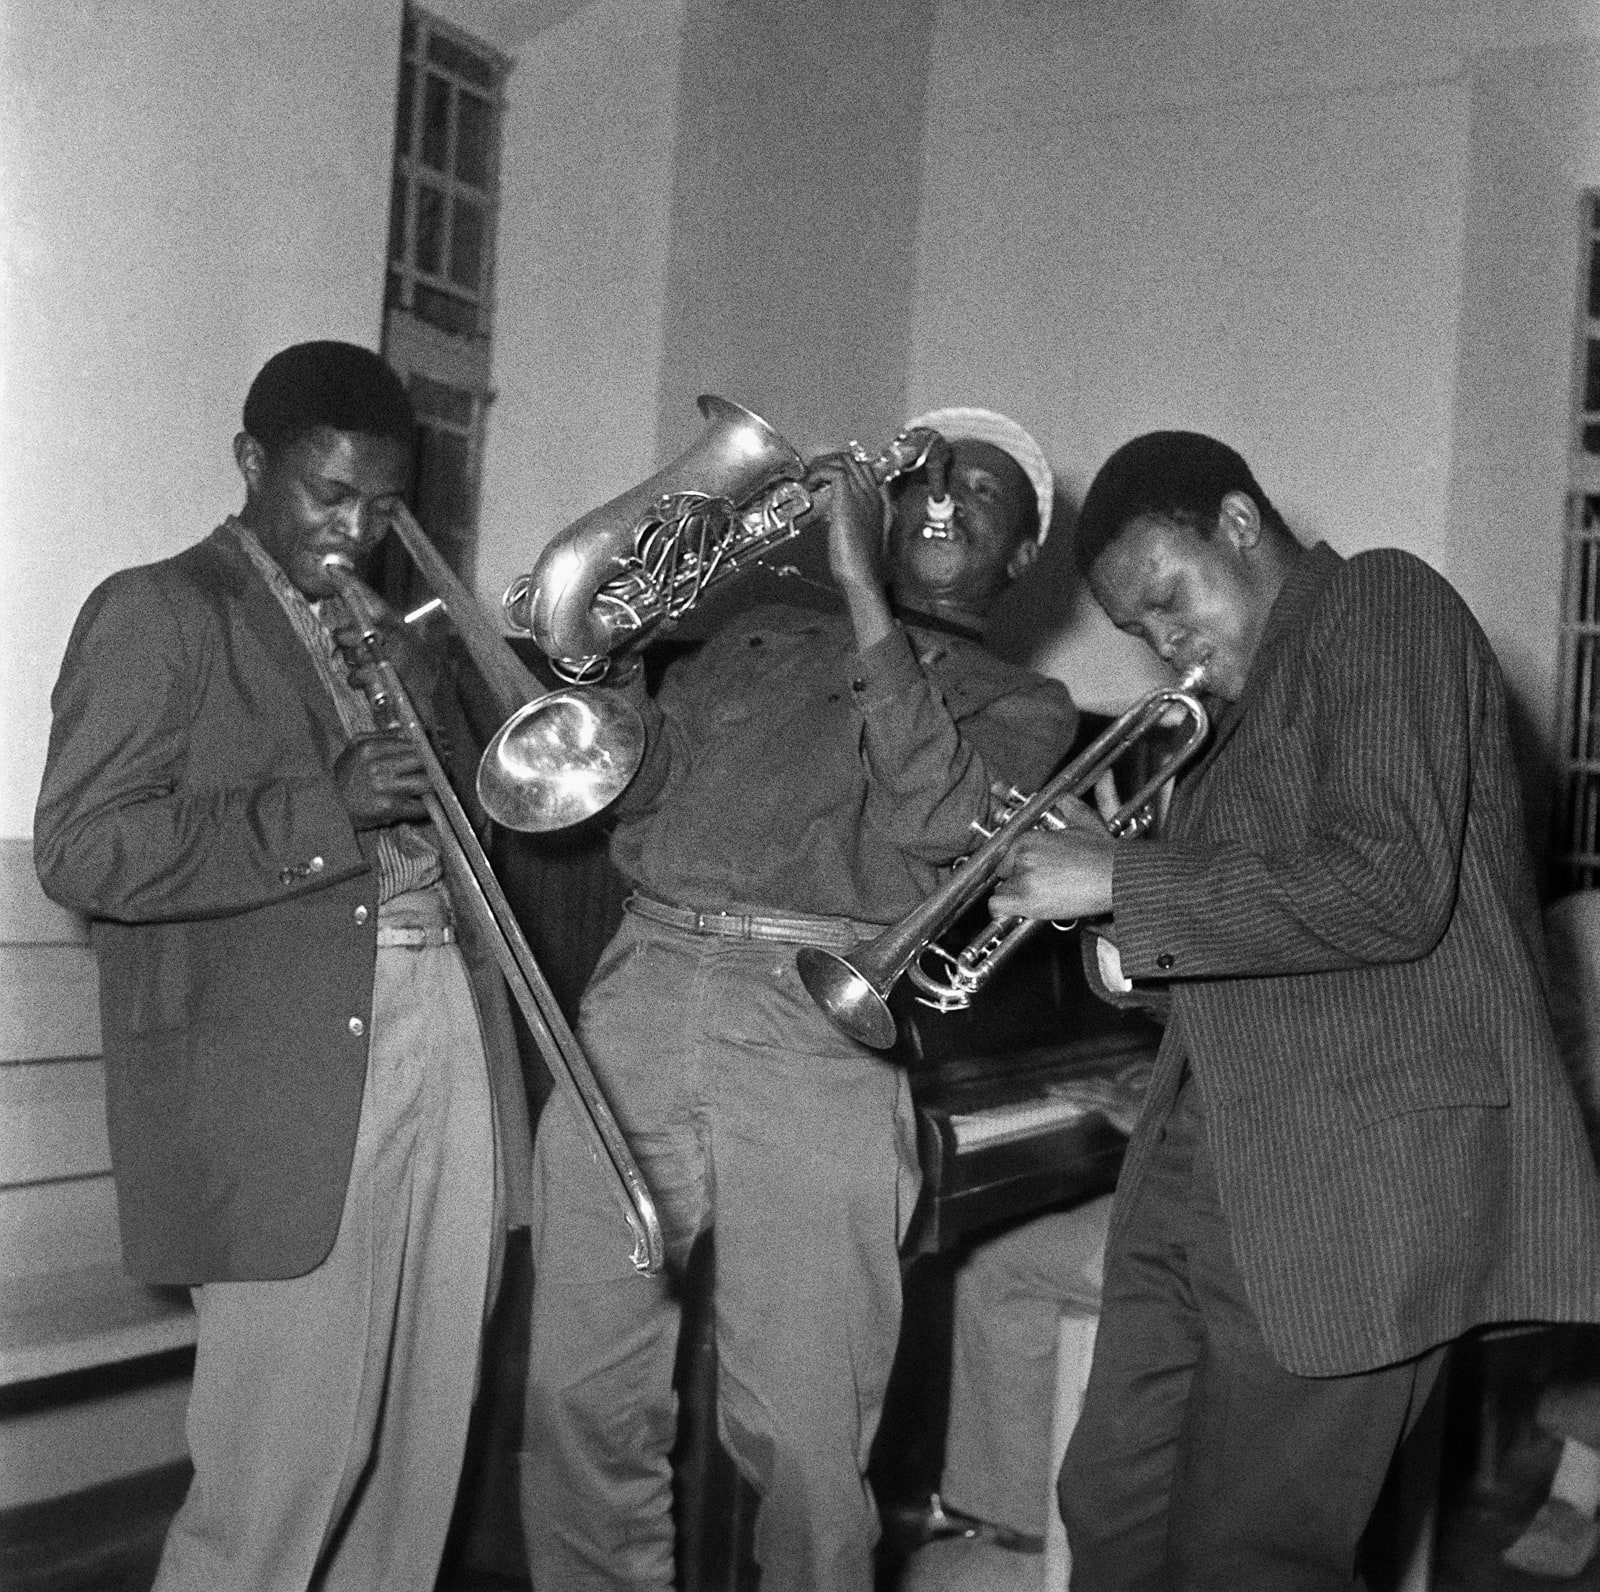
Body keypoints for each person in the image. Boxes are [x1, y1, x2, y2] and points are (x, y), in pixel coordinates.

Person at [986, 429, 1600, 1588]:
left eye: (1168, 599)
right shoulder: (1224, 743)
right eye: (1137, 633)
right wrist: (1122, 951)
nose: (1165, 645)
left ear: (1236, 523)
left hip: (1347, 1183)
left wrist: (1115, 879)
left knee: (1252, 1554)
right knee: (1110, 1504)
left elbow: (1385, 886)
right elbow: (1268, 948)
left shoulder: (1379, 600)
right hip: (1201, 1166)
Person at [520, 406, 1080, 1592]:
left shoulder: (1023, 703)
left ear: (1024, 554)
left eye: (982, 492)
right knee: (577, 1394)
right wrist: (608, 658)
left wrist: (861, 591)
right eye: (925, 473)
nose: (941, 496)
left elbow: (939, 824)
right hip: (641, 990)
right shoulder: (759, 632)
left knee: (808, 1439)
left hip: (813, 1022)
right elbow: (639, 788)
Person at [33, 340, 531, 1592]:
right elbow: (83, 846)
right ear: (252, 464)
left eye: (383, 504)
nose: (358, 531)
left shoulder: (376, 629)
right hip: (285, 1072)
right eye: (329, 496)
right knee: (284, 1464)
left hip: (440, 1027)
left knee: (419, 1444)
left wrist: (439, 696)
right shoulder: (159, 607)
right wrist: (323, 802)